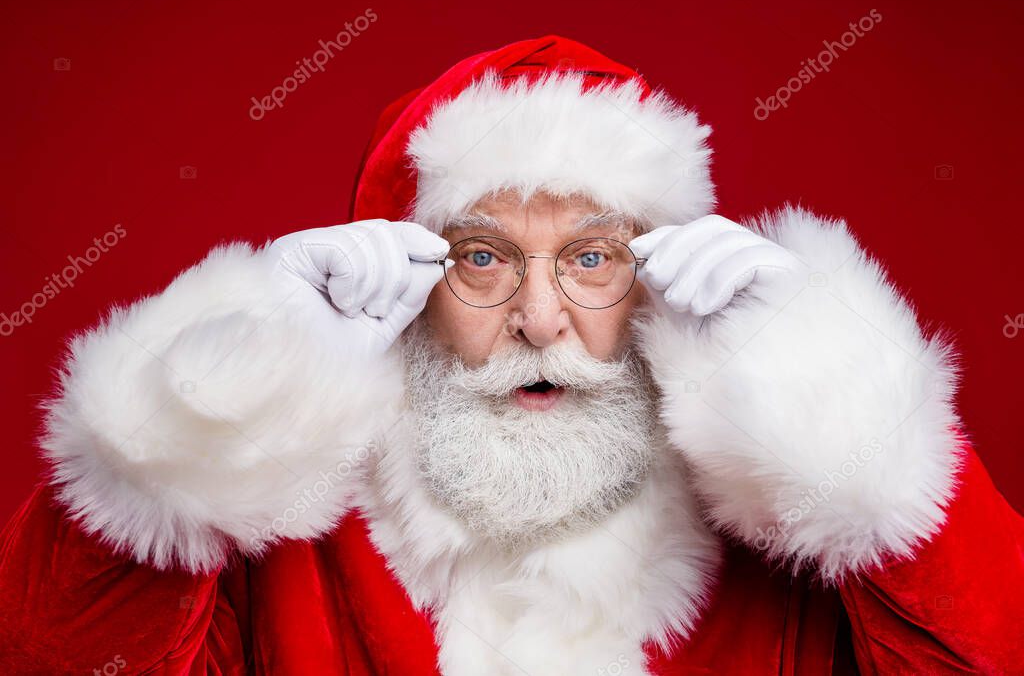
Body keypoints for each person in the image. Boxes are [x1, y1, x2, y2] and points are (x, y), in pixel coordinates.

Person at [1, 34, 1021, 676]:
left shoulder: (784, 529)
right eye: (481, 256)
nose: (540, 319)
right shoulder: (281, 533)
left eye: (592, 258)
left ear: (660, 281)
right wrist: (204, 404)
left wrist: (847, 416)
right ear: (407, 282)